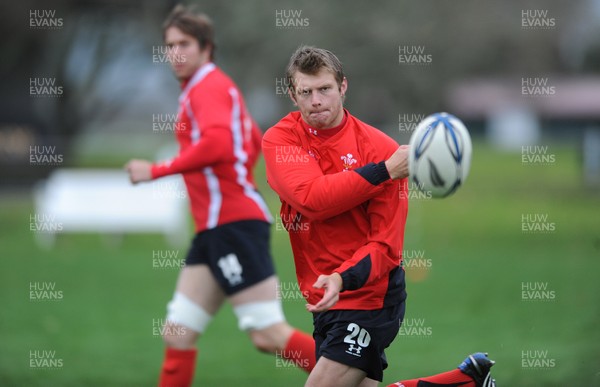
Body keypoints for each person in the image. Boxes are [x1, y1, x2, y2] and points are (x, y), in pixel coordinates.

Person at [262, 45, 496, 387]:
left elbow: (385, 248)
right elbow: (312, 199)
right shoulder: (282, 140)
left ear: (343, 87)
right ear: (292, 95)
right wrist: (383, 172)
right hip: (325, 300)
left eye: (324, 89)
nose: (316, 101)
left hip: (371, 298)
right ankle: (465, 382)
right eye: (306, 92)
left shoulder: (382, 149)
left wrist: (343, 278)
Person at [125, 7, 315, 387]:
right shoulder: (213, 88)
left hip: (233, 226)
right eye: (169, 45)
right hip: (215, 229)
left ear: (206, 48)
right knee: (178, 333)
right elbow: (247, 141)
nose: (175, 53)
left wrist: (157, 170)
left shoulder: (208, 86)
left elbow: (218, 143)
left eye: (184, 44)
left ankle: (354, 375)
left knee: (267, 333)